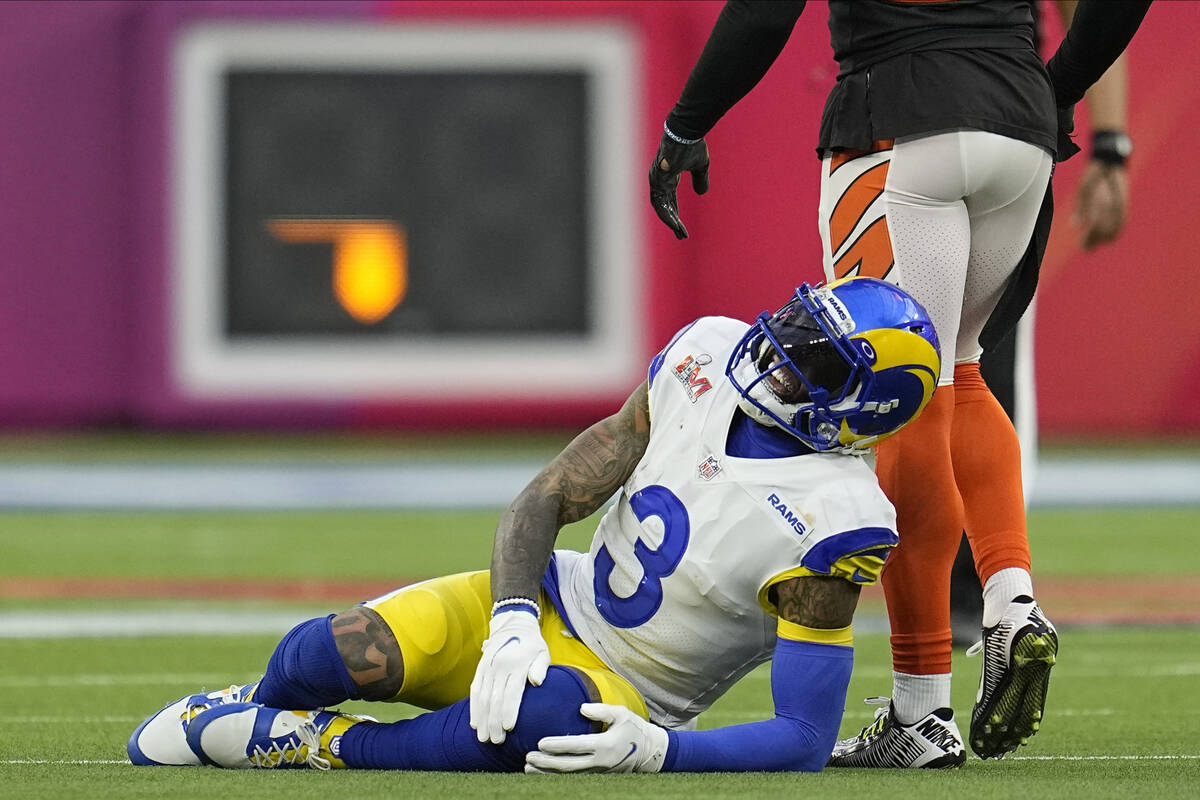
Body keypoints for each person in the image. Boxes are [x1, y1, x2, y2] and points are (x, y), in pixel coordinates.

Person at [128, 276, 944, 773]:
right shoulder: (707, 357)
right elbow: (547, 494)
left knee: (536, 723)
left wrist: (661, 750)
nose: (782, 354)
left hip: (628, 689)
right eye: (802, 327)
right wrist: (515, 620)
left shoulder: (835, 522)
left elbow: (803, 736)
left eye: (819, 361)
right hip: (558, 598)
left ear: (864, 408)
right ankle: (261, 705)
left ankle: (315, 747)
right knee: (334, 648)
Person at [648, 0, 1150, 766]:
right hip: (1019, 127)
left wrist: (688, 121)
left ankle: (920, 711)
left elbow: (763, 11)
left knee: (906, 403)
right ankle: (1011, 601)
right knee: (964, 369)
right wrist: (1061, 86)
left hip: (899, 120)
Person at [950, 0, 1135, 646]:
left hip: (903, 121)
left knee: (955, 362)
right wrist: (1102, 140)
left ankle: (981, 591)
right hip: (987, 112)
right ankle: (994, 597)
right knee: (961, 364)